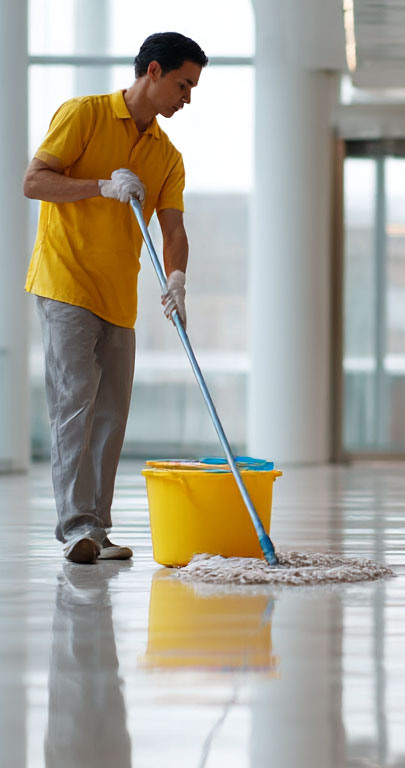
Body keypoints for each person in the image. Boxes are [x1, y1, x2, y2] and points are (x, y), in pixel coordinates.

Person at [23, 32, 208, 564]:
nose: (187, 98)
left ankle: (98, 530)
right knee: (74, 405)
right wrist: (101, 186)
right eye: (182, 84)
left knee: (110, 416)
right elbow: (34, 181)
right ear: (153, 71)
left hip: (116, 293)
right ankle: (77, 527)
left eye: (192, 88)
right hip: (65, 282)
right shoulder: (83, 114)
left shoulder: (166, 155)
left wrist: (177, 279)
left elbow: (173, 228)